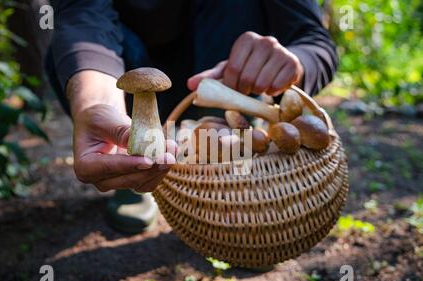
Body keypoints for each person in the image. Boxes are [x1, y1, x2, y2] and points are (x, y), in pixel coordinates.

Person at [46, 0, 338, 234]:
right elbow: (82, 17)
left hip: (226, 88)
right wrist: (96, 104)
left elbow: (314, 39)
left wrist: (290, 65)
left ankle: (227, 174)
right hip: (131, 74)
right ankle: (133, 166)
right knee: (64, 56)